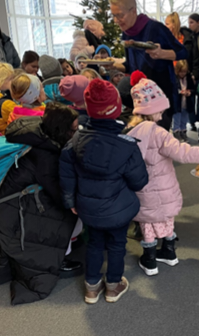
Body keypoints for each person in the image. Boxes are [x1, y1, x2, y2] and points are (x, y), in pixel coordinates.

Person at [0, 103, 80, 305]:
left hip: (1, 206)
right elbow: (59, 195)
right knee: (67, 217)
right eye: (73, 130)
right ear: (61, 130)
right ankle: (63, 257)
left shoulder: (35, 134)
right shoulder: (46, 156)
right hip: (13, 209)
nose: (76, 132)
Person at [60, 78, 148, 304]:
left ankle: (91, 287)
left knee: (95, 243)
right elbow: (139, 182)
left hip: (88, 208)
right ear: (117, 108)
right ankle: (113, 285)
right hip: (118, 208)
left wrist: (70, 200)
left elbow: (67, 175)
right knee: (117, 244)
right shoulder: (127, 144)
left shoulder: (75, 140)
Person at [127, 71, 199, 276]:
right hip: (165, 189)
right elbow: (182, 152)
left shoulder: (130, 132)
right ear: (149, 111)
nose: (161, 116)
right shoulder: (159, 133)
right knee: (167, 218)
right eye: (159, 112)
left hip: (144, 189)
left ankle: (150, 260)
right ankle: (169, 253)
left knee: (147, 223)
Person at [109, 0, 188, 131]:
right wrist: (113, 65)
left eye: (120, 15)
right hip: (141, 98)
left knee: (159, 143)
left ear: (133, 11)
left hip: (160, 96)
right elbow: (130, 66)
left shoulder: (155, 28)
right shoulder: (126, 34)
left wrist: (161, 53)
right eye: (114, 16)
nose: (116, 21)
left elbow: (183, 52)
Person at [173, 60, 195, 142]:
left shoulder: (189, 78)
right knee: (177, 119)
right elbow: (172, 90)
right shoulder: (174, 78)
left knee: (184, 120)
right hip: (177, 103)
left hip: (186, 103)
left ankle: (183, 132)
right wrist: (179, 92)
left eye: (184, 72)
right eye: (181, 72)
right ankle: (176, 133)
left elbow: (193, 89)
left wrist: (189, 92)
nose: (183, 73)